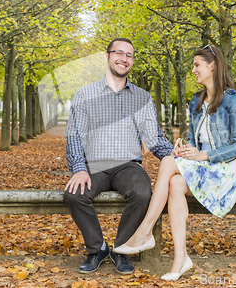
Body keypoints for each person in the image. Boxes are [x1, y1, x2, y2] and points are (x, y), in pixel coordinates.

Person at [114, 44, 236, 281]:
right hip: (202, 168)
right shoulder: (196, 101)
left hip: (225, 171)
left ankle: (145, 231)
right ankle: (180, 258)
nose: (193, 70)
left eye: (197, 65)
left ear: (212, 66)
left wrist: (203, 156)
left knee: (167, 163)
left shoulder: (230, 100)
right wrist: (185, 149)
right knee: (174, 182)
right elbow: (197, 143)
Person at [64, 38, 174, 275]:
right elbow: (74, 135)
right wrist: (79, 168)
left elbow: (154, 139)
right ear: (107, 57)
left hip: (128, 166)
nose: (124, 59)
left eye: (129, 55)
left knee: (142, 193)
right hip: (94, 165)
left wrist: (179, 157)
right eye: (119, 53)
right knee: (74, 194)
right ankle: (98, 249)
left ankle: (121, 250)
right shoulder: (85, 94)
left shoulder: (142, 97)